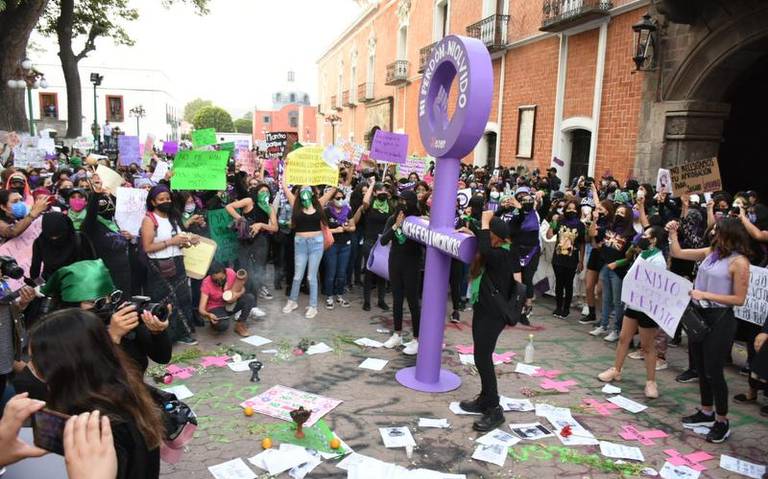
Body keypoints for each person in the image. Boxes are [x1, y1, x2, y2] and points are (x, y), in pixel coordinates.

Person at [28, 308, 164, 478]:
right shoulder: (121, 388)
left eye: (34, 360)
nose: (31, 366)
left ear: (59, 366)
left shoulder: (92, 426)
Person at [668, 217, 750, 443]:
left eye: (718, 230)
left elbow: (739, 299)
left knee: (714, 370)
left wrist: (705, 295)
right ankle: (706, 411)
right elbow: (678, 253)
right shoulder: (710, 253)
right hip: (698, 314)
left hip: (720, 318)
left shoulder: (739, 262)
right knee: (701, 367)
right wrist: (673, 234)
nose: (713, 233)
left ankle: (722, 420)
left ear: (730, 235)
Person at [37, 259, 172, 374]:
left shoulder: (121, 319)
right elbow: (90, 381)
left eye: (112, 297)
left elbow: (162, 357)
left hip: (134, 395)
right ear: (72, 304)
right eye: (97, 302)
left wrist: (157, 332)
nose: (107, 305)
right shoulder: (59, 336)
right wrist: (112, 337)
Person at [459, 211, 521, 431]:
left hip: (494, 315)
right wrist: (474, 230)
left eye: (488, 232)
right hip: (483, 311)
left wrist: (485, 221)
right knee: (480, 355)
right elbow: (483, 244)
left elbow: (485, 248)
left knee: (483, 358)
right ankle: (485, 398)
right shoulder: (494, 249)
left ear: (495, 236)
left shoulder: (502, 254)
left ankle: (494, 409)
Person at [597, 226, 667, 399]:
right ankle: (616, 369)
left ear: (654, 240)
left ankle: (651, 382)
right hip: (634, 304)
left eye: (646, 235)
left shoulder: (658, 261)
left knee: (647, 346)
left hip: (647, 308)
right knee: (623, 338)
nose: (642, 237)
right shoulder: (642, 255)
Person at [140, 185, 199, 345]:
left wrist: (188, 241)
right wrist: (171, 242)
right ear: (153, 202)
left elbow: (178, 244)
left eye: (167, 198)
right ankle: (166, 337)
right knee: (165, 301)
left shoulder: (174, 218)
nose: (165, 201)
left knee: (183, 298)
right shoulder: (149, 219)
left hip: (178, 263)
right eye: (161, 199)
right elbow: (148, 247)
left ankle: (184, 333)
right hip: (159, 266)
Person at [281, 184, 335, 319]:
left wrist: (337, 168)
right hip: (300, 244)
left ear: (312, 193)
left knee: (311, 276)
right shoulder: (296, 205)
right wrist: (286, 168)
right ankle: (292, 301)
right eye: (302, 189)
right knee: (297, 276)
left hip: (316, 244)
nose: (305, 191)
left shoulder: (319, 204)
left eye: (308, 189)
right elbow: (284, 186)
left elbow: (334, 189)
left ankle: (313, 306)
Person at [379, 190, 422, 355]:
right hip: (395, 263)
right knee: (397, 299)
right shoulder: (392, 218)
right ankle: (397, 334)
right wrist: (396, 225)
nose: (401, 204)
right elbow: (383, 241)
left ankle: (417, 338)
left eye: (405, 201)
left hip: (412, 265)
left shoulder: (417, 221)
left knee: (412, 302)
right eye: (400, 201)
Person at [225, 182, 277, 312]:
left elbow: (275, 227)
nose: (264, 193)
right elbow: (229, 207)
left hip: (260, 242)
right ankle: (240, 305)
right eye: (261, 191)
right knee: (244, 271)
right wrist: (241, 219)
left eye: (267, 192)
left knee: (257, 273)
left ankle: (253, 305)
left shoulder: (269, 208)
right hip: (245, 241)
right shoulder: (249, 201)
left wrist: (261, 225)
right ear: (256, 192)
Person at [591, 203, 635, 341]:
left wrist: (616, 264)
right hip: (604, 267)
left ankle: (616, 329)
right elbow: (593, 233)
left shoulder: (630, 234)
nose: (619, 215)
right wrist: (594, 219)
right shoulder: (608, 228)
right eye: (618, 212)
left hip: (618, 271)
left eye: (622, 213)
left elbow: (630, 257)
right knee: (606, 298)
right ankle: (603, 325)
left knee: (617, 301)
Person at [352, 179, 392, 312]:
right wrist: (373, 184)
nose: (384, 193)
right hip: (369, 242)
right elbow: (364, 201)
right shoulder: (370, 205)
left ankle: (381, 300)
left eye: (385, 191)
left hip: (383, 244)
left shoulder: (389, 206)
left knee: (382, 272)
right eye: (380, 190)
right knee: (369, 273)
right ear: (374, 193)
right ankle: (367, 301)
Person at [546, 199, 585, 319]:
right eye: (569, 208)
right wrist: (553, 222)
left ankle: (566, 309)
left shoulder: (580, 224)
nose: (571, 211)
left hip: (572, 258)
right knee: (559, 283)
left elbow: (582, 243)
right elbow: (549, 235)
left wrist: (581, 261)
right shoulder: (560, 220)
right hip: (558, 257)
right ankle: (558, 307)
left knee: (568, 284)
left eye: (574, 209)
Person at [29, 212, 94, 281]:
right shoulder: (40, 243)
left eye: (59, 235)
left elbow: (91, 265)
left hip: (79, 283)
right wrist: (37, 285)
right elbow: (35, 269)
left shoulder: (80, 239)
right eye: (50, 236)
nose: (55, 239)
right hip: (53, 285)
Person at [199, 262, 258, 336]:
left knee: (249, 298)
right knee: (223, 325)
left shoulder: (230, 272)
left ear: (225, 273)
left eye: (221, 278)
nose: (219, 281)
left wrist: (236, 295)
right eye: (215, 280)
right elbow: (201, 309)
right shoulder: (206, 282)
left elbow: (242, 288)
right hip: (216, 307)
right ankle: (216, 322)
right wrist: (208, 315)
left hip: (231, 304)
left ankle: (240, 324)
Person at [323, 189, 355, 309]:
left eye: (342, 197)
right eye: (337, 198)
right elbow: (322, 230)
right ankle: (329, 296)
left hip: (345, 245)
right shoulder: (326, 212)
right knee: (331, 272)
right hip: (332, 245)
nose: (340, 200)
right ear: (331, 199)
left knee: (342, 273)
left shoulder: (348, 211)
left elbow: (353, 227)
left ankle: (340, 295)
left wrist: (347, 228)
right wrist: (335, 230)